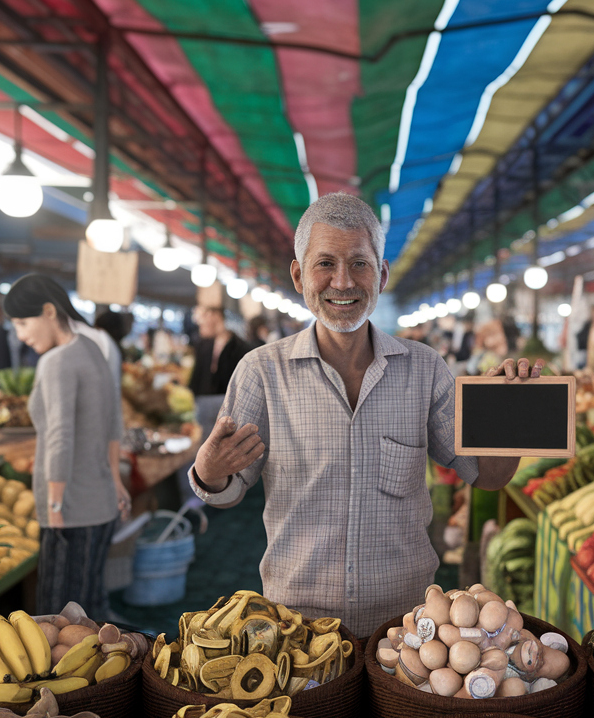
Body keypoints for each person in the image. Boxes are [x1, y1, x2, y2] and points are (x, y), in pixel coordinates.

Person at [188, 192, 541, 638]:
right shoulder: (261, 372)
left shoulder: (425, 368)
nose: (342, 281)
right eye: (324, 264)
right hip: (297, 622)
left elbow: (486, 476)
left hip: (407, 623)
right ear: (298, 275)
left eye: (359, 263)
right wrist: (208, 470)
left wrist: (508, 411)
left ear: (382, 274)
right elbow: (227, 490)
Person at [3, 274, 130, 618]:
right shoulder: (94, 348)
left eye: (22, 323)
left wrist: (55, 506)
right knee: (89, 610)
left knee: (58, 617)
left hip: (71, 511)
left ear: (48, 311)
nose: (20, 334)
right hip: (100, 502)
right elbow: (113, 420)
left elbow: (60, 434)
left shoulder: (56, 361)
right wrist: (116, 481)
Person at [189, 305, 252, 437]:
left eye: (204, 317)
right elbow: (197, 374)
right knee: (205, 440)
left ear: (216, 317)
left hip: (228, 402)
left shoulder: (240, 346)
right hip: (204, 401)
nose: (200, 322)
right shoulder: (202, 344)